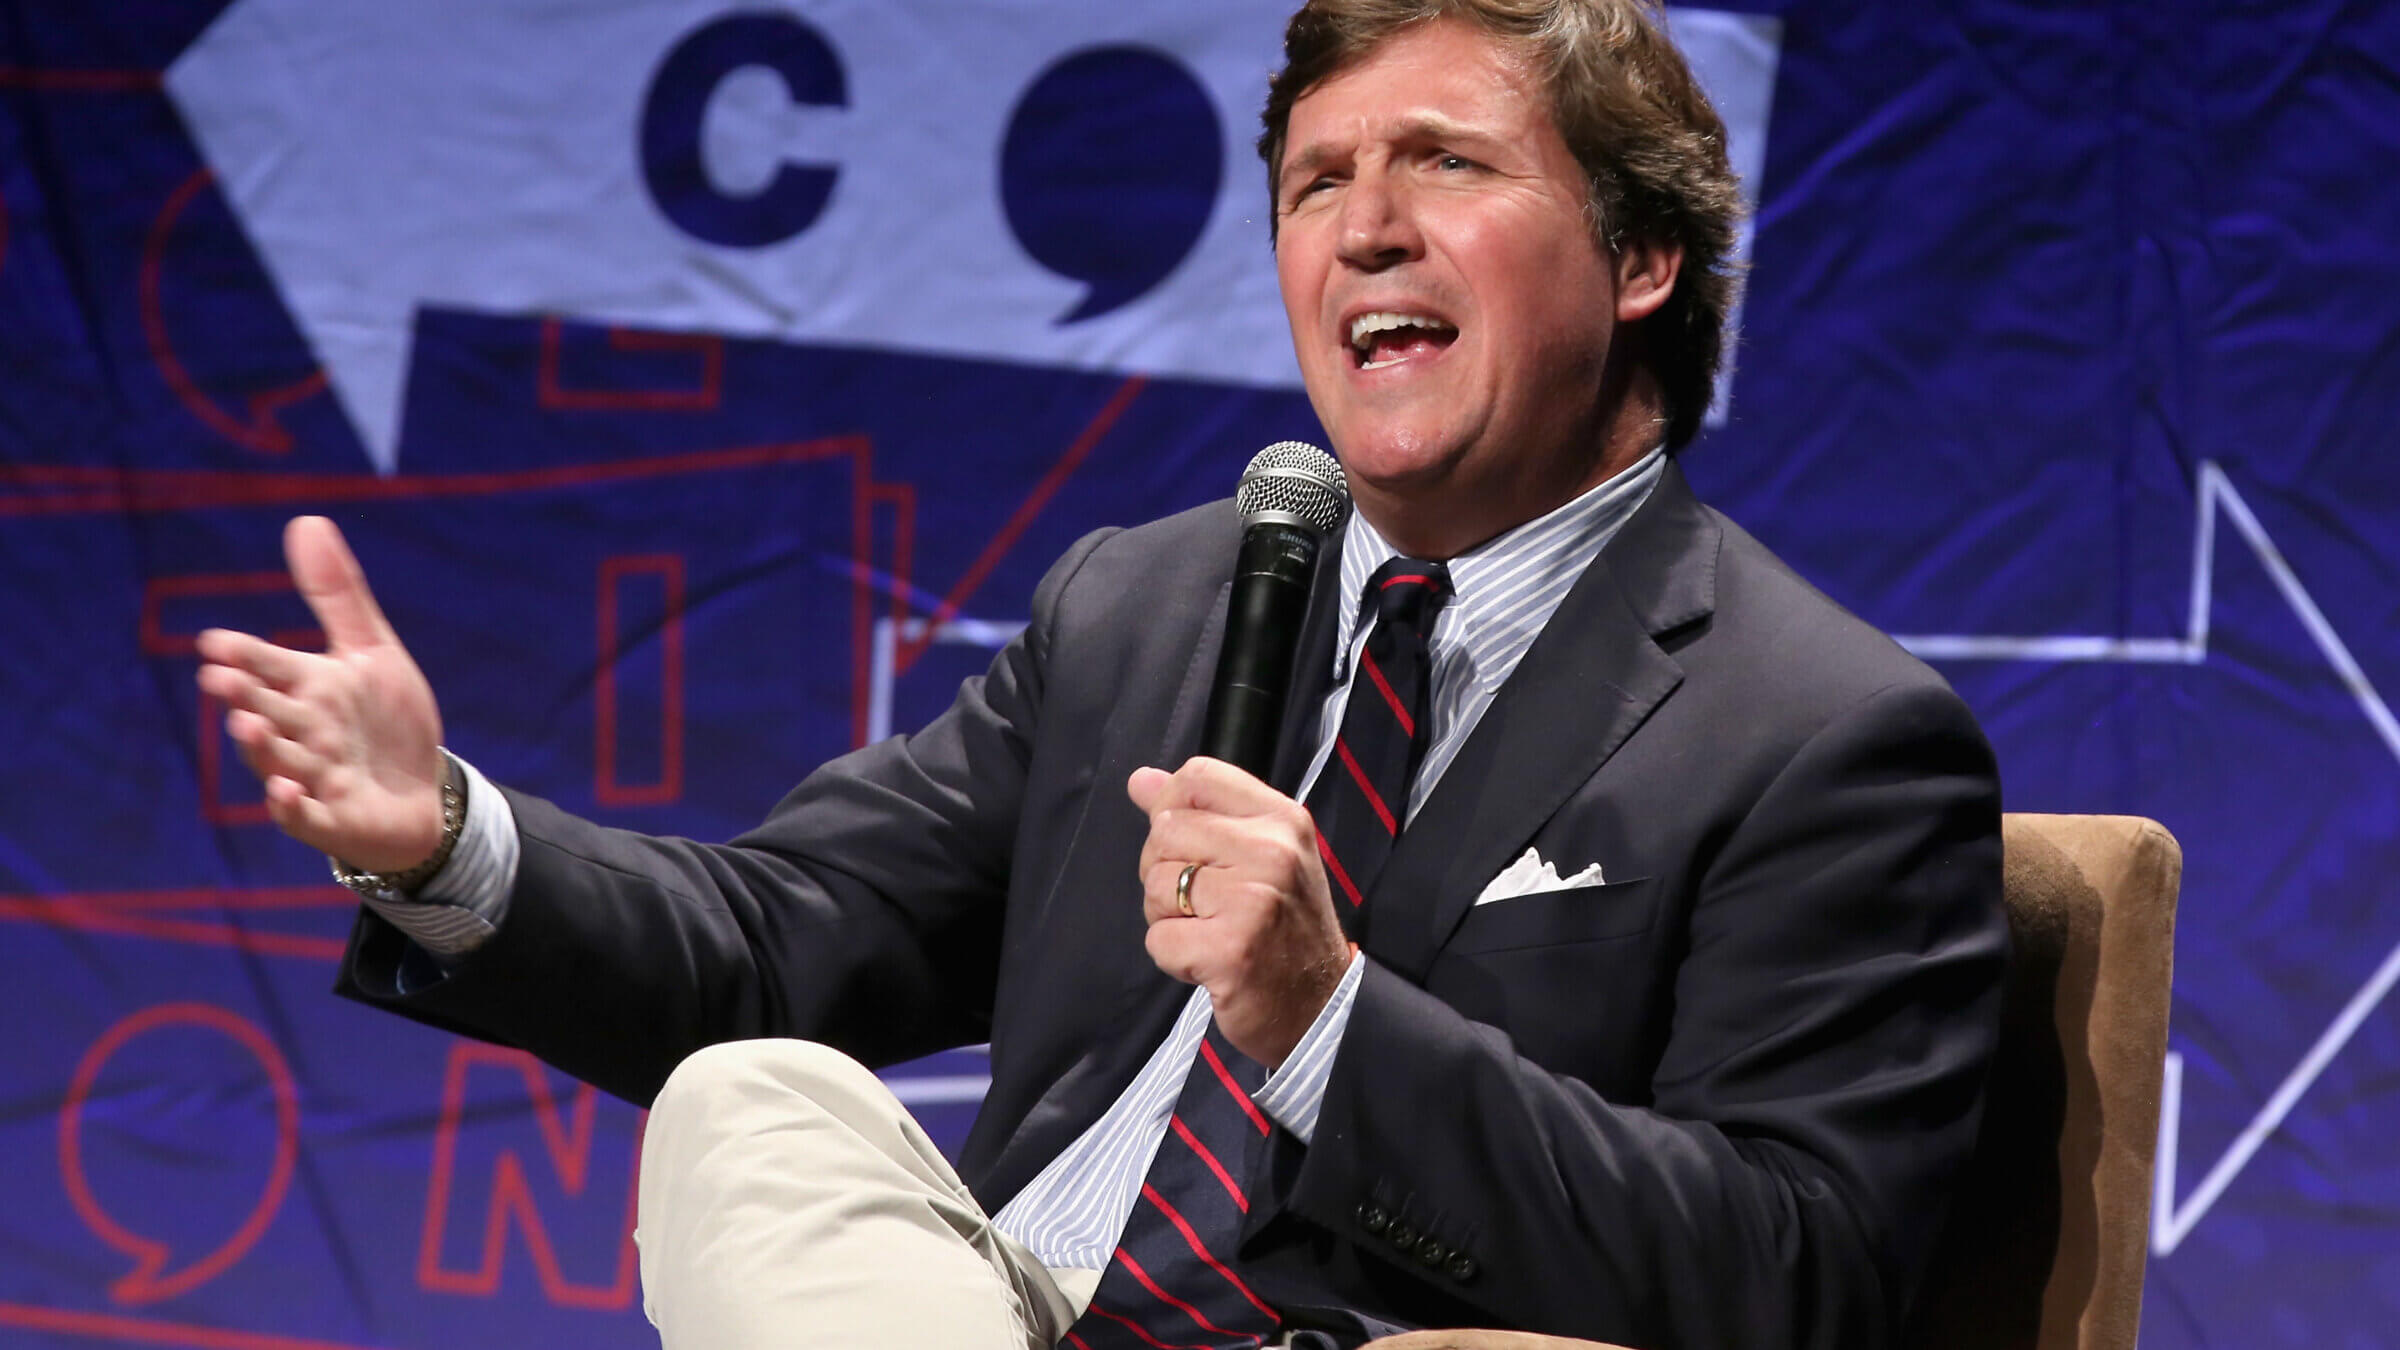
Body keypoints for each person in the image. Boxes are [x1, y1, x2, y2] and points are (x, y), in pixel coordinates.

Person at [195, 2, 2008, 1348]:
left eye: (1446, 163)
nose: (1363, 227)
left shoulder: (1819, 733)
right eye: (1316, 184)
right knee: (749, 1101)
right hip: (991, 1309)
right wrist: (442, 837)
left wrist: (1329, 1020)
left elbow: (1797, 1269)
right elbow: (775, 942)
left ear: (1642, 257)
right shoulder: (1147, 606)